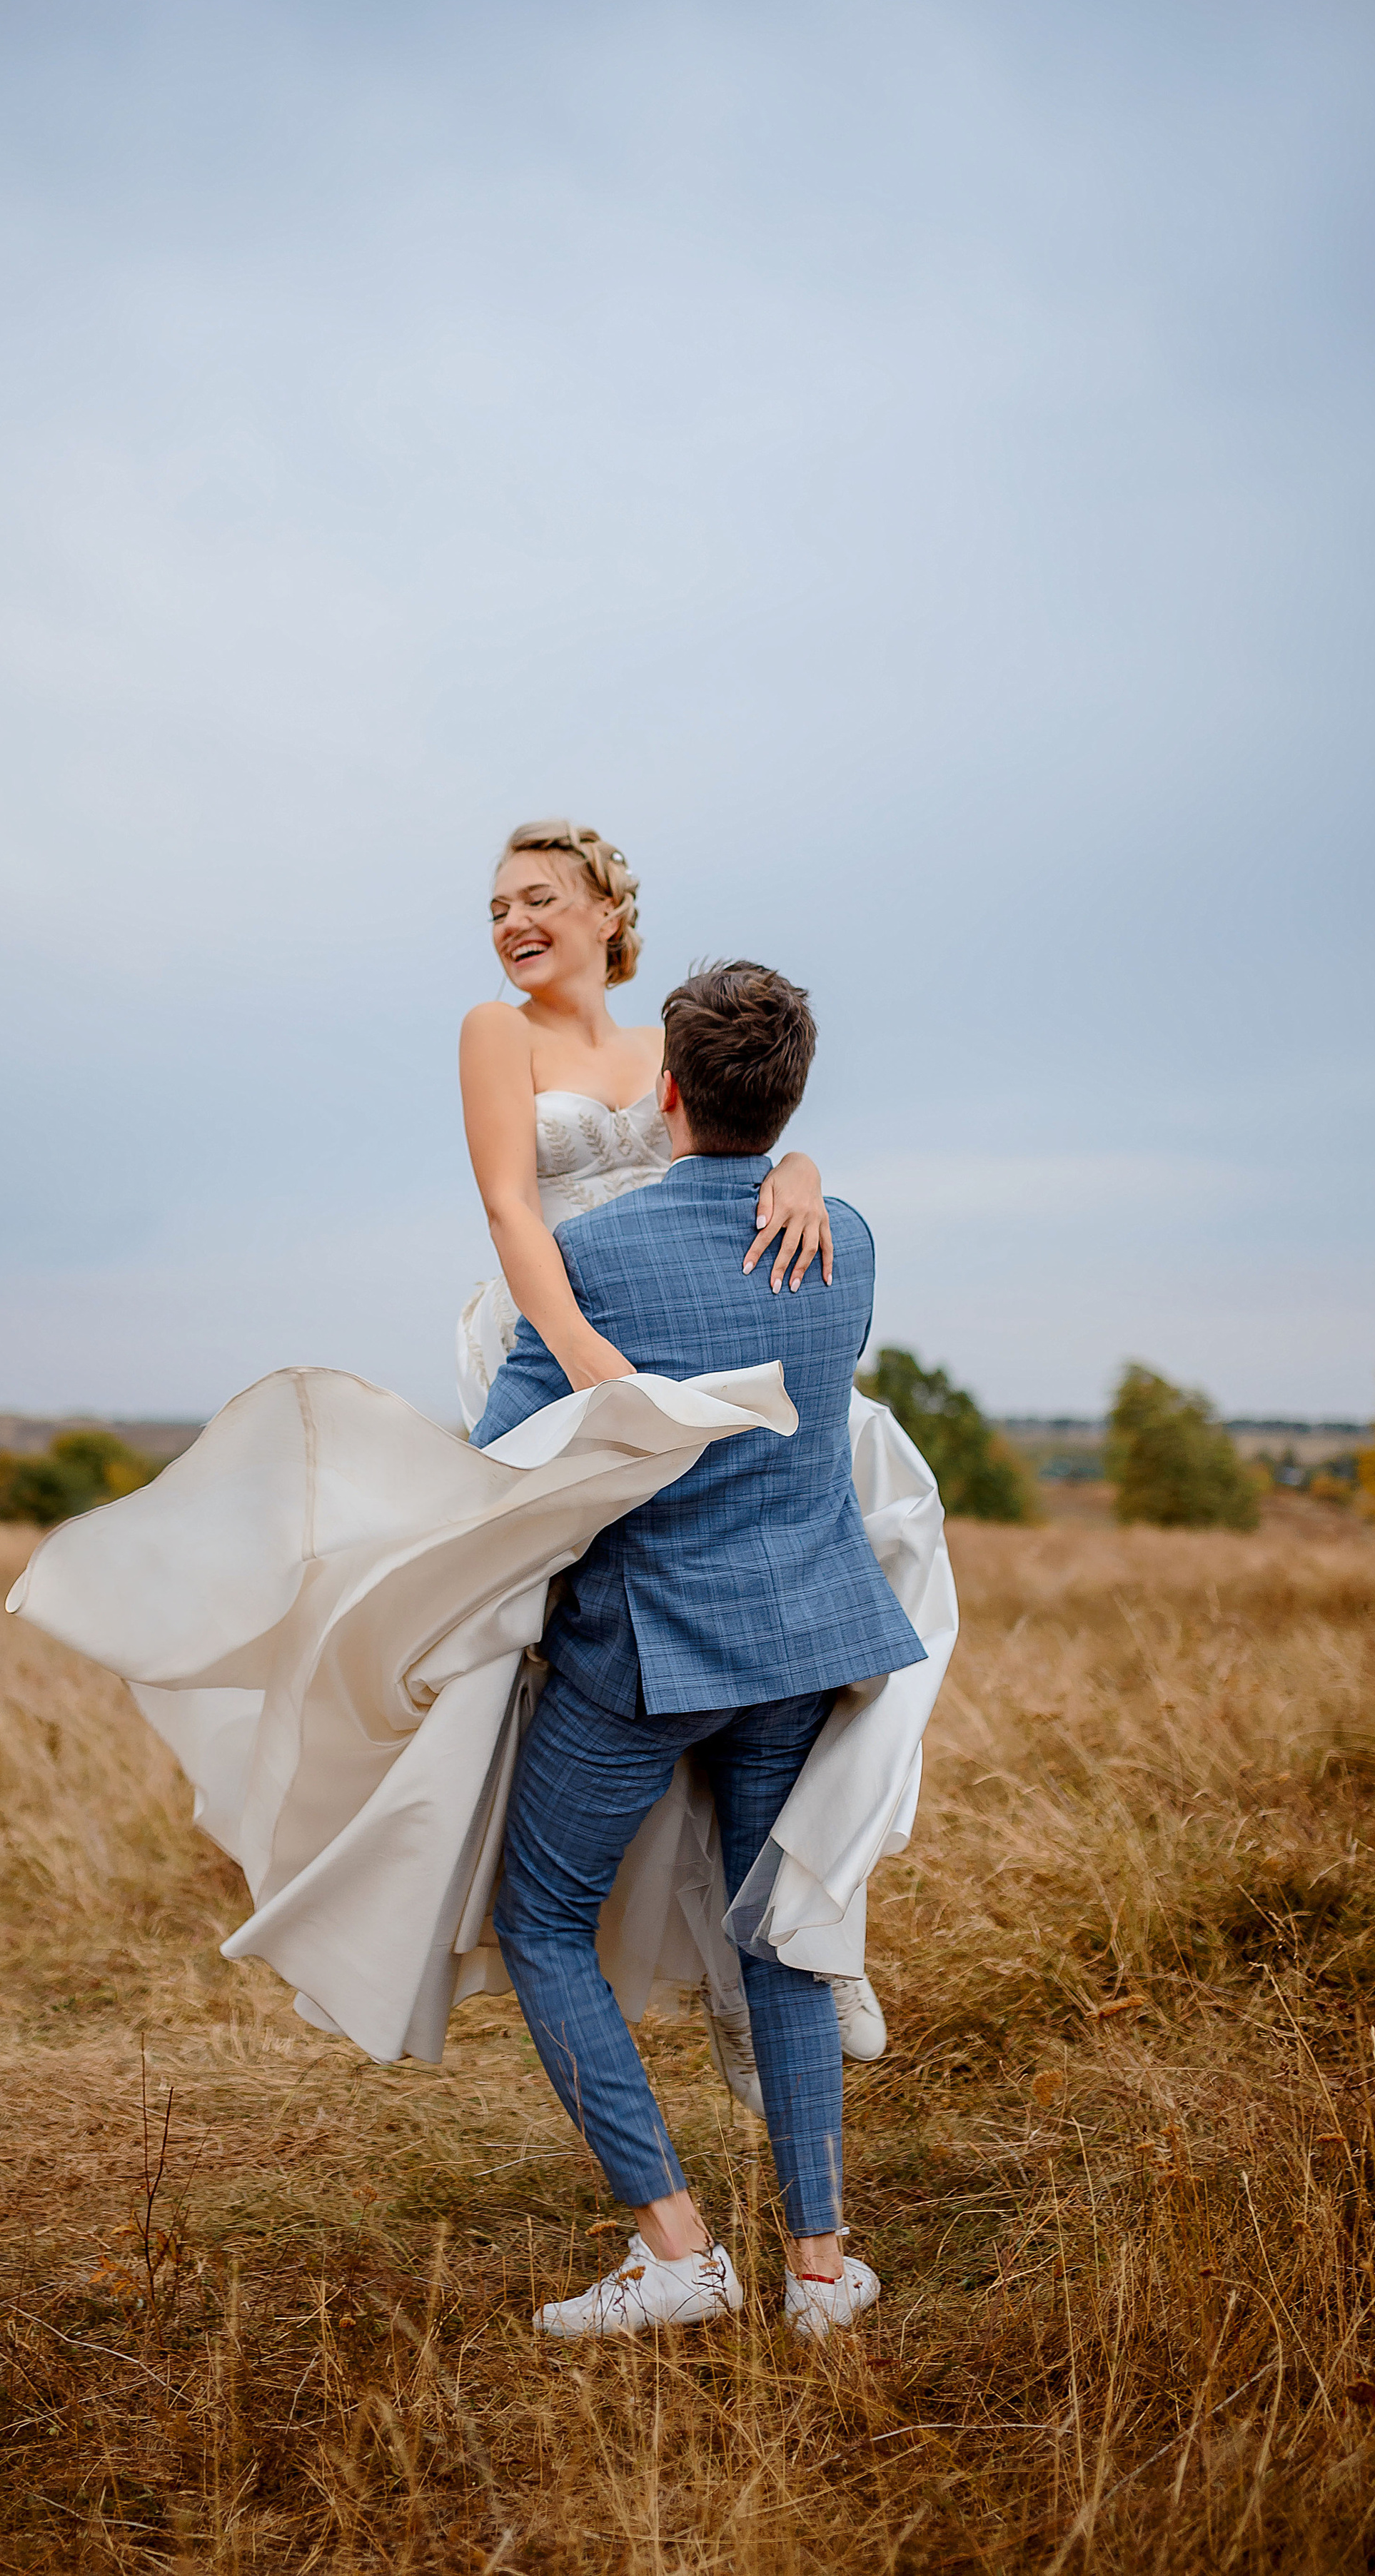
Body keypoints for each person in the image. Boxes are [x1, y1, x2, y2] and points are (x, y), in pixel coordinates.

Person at [471, 960, 926, 2340]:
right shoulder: (840, 1233)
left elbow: (507, 1455)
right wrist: (800, 1169)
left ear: (665, 1091)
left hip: (646, 1654)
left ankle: (676, 2248)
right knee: (781, 1933)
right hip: (799, 1640)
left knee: (539, 1916)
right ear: (785, 1099)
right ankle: (817, 2270)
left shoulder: (591, 1260)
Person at [455, 822, 888, 2075]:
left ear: (607, 911)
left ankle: (805, 1932)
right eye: (496, 907)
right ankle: (623, 1924)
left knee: (835, 1546)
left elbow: (741, 1132)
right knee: (605, 1652)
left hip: (692, 1330)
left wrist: (802, 1169)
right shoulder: (497, 1034)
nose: (511, 922)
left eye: (538, 897)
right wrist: (588, 1362)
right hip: (560, 1334)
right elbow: (506, 1201)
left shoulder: (662, 1048)